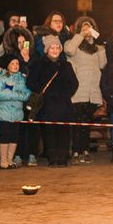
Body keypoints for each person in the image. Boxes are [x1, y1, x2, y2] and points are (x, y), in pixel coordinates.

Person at [27, 35, 79, 167]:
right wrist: (46, 93)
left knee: (64, 132)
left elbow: (74, 83)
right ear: (46, 49)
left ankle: (63, 158)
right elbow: (31, 82)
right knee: (49, 132)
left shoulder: (66, 65)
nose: (55, 50)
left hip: (63, 104)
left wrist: (65, 93)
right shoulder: (39, 64)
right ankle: (52, 158)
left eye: (57, 47)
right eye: (52, 47)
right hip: (47, 104)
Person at [64, 16, 108, 164]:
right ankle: (76, 151)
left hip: (92, 90)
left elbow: (102, 65)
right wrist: (81, 35)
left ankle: (85, 151)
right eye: (84, 27)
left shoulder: (97, 47)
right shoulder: (73, 43)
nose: (87, 29)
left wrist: (100, 46)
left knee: (85, 123)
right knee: (78, 123)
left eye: (89, 26)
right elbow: (69, 51)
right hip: (78, 90)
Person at [0, 58, 30, 169]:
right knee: (5, 136)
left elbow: (26, 95)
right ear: (7, 65)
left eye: (17, 63)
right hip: (4, 113)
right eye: (12, 63)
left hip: (17, 114)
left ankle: (10, 160)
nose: (15, 65)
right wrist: (16, 94)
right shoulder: (1, 78)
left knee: (14, 137)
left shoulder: (22, 79)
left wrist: (10, 93)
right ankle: (3, 161)